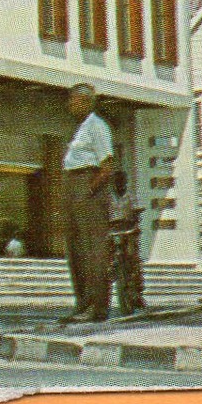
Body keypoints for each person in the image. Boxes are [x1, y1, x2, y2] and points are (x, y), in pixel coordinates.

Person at [60, 83, 115, 323]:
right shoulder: (81, 128)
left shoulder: (97, 126)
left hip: (88, 185)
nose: (69, 105)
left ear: (85, 101)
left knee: (94, 251)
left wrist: (88, 191)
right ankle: (82, 303)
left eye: (73, 100)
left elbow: (107, 167)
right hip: (73, 185)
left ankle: (97, 307)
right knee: (76, 250)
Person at [108, 171, 145, 317]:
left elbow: (137, 209)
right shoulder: (108, 197)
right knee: (106, 259)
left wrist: (135, 216)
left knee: (133, 259)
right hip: (113, 231)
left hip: (128, 231)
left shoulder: (130, 195)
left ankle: (138, 291)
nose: (119, 184)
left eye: (121, 181)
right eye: (116, 181)